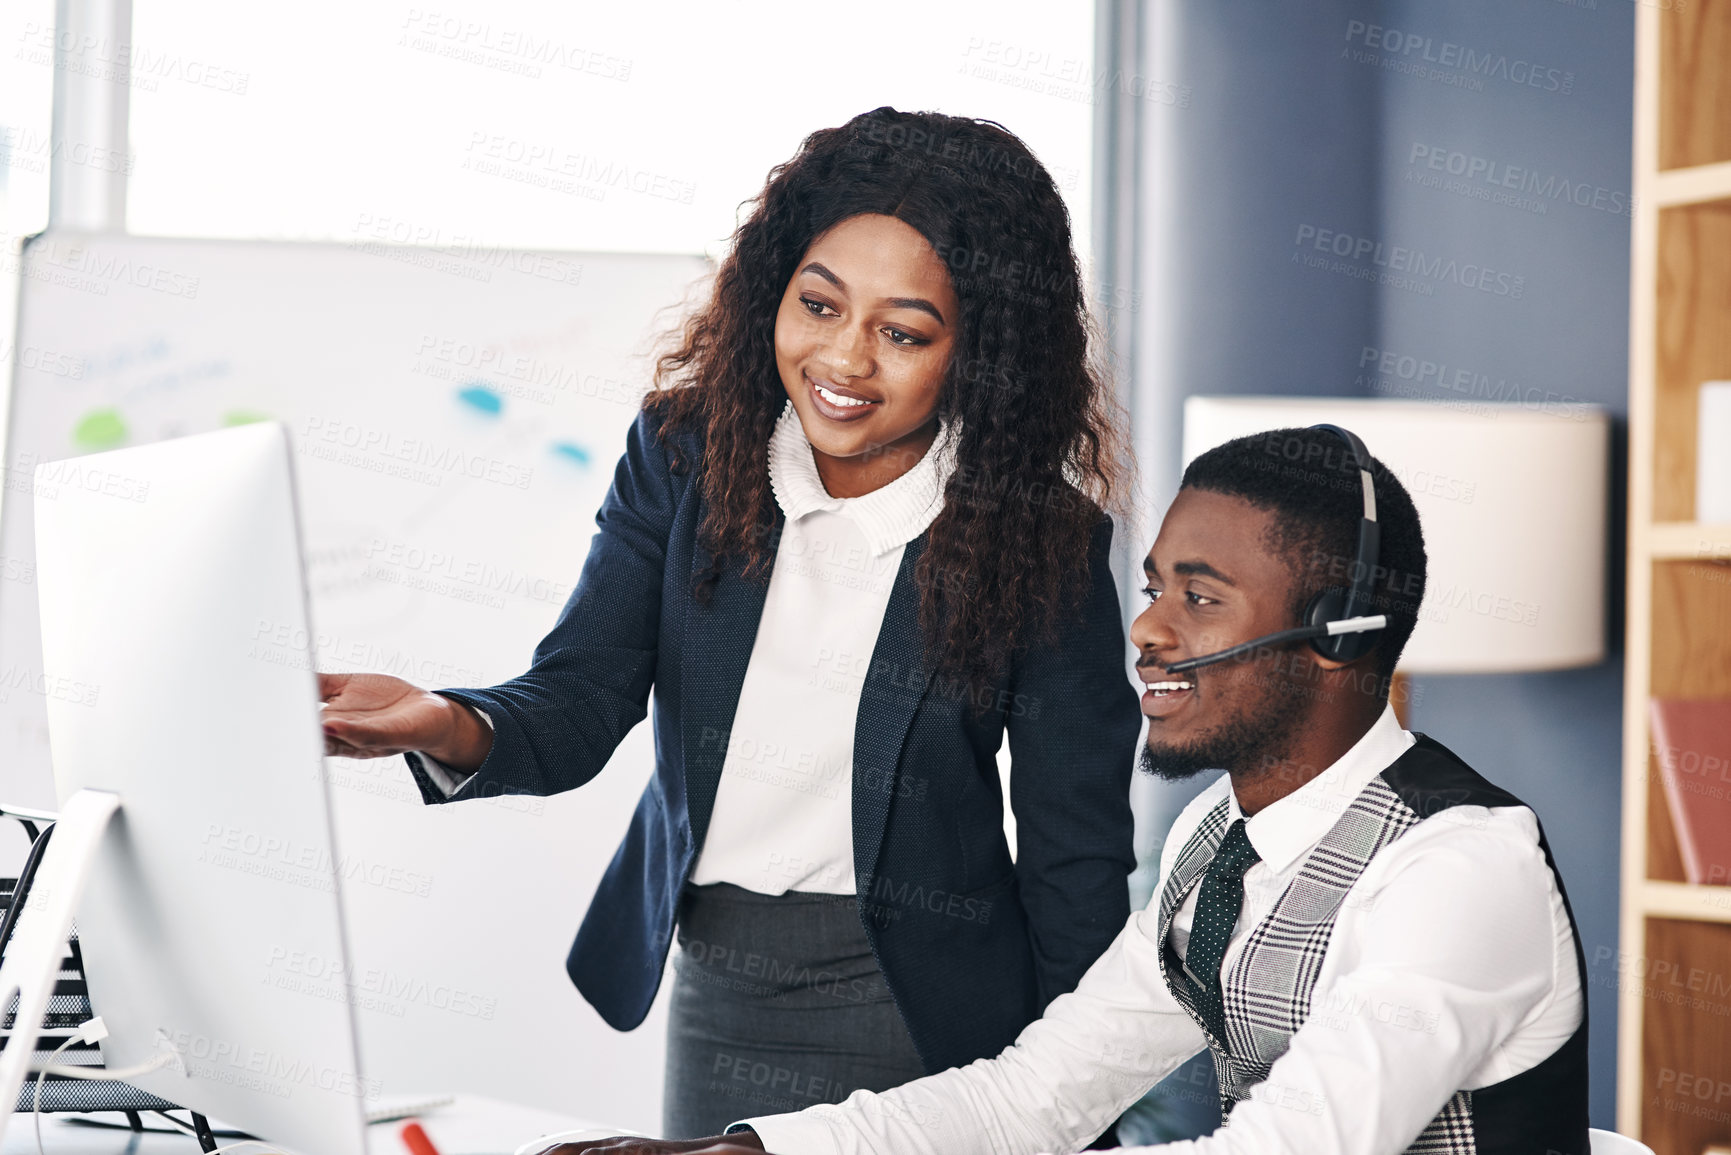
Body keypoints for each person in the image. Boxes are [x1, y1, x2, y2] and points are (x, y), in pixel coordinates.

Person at [317, 106, 1140, 1138]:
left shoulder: (1041, 539)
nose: (845, 359)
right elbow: (583, 696)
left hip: (930, 1018)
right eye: (819, 305)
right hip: (721, 982)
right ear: (774, 293)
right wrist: (442, 718)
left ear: (979, 353)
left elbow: (1076, 858)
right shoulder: (685, 458)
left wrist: (1071, 1106)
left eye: (903, 333)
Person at [557, 426, 1590, 1155]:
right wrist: (755, 1152)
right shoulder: (1220, 842)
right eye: (1154, 587)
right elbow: (1032, 1101)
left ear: (1336, 639)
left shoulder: (1456, 870)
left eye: (1200, 597)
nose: (1145, 629)